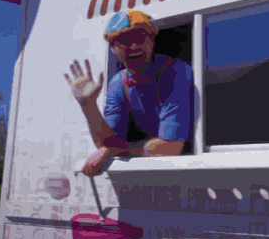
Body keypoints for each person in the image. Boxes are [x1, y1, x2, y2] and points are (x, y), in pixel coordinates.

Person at [65, 10, 194, 177]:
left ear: (152, 41)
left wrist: (113, 150)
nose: (134, 46)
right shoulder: (118, 82)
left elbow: (170, 147)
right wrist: (88, 106)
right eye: (125, 40)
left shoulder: (175, 71)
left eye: (140, 38)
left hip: (185, 169)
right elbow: (107, 143)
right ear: (113, 48)